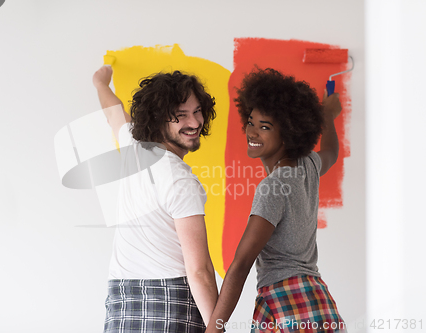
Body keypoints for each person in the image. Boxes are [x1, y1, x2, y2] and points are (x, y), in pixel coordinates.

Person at [205, 68, 346, 333]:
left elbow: (241, 264)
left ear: (289, 133)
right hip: (318, 301)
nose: (252, 132)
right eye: (251, 122)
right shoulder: (307, 167)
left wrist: (215, 328)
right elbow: (331, 152)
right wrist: (328, 115)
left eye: (265, 127)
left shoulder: (273, 187)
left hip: (285, 302)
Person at [92, 65, 218, 333]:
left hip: (122, 304)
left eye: (197, 112)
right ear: (159, 119)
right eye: (181, 116)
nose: (195, 123)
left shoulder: (133, 149)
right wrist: (217, 328)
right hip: (171, 304)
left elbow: (113, 111)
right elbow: (200, 271)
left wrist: (100, 82)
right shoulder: (180, 179)